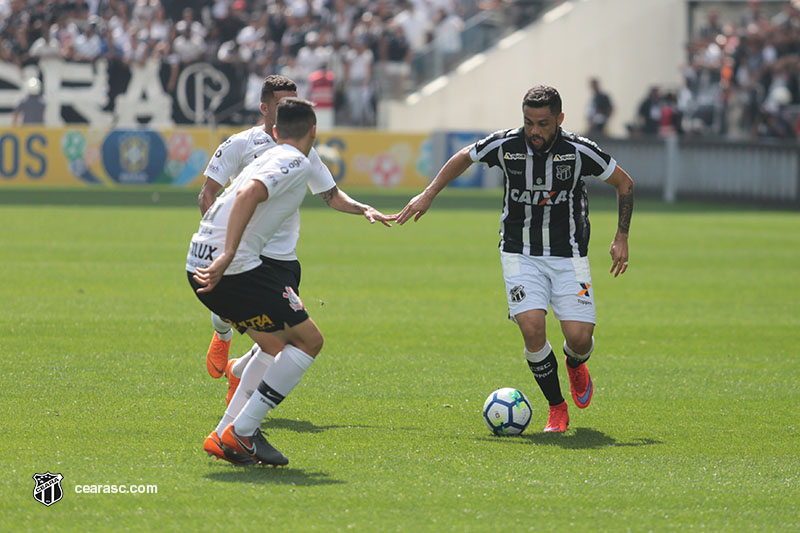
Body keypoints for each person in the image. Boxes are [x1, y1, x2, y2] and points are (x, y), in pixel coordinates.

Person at [395, 85, 634, 432]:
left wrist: (621, 236)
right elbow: (465, 156)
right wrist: (428, 194)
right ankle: (557, 408)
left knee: (580, 338)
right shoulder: (506, 145)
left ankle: (574, 362)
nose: (534, 131)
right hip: (519, 252)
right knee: (532, 328)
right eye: (528, 122)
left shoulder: (579, 151)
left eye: (542, 123)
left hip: (568, 254)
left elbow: (624, 183)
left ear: (560, 120)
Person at [196, 75, 393, 459]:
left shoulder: (302, 155)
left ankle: (236, 391)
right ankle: (235, 407)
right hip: (245, 257)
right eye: (282, 102)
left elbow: (331, 195)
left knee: (277, 340)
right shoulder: (241, 145)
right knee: (296, 340)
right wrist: (222, 243)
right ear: (265, 109)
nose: (288, 108)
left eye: (294, 102)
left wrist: (362, 208)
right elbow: (211, 193)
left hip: (283, 258)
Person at [187, 98, 323, 465]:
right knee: (309, 341)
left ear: (277, 132)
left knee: (274, 345)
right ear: (313, 130)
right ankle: (241, 431)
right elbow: (248, 194)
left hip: (197, 259)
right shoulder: (295, 160)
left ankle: (226, 434)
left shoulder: (268, 155)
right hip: (231, 267)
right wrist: (229, 254)